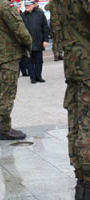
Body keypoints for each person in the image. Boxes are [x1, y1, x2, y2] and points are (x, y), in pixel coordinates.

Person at [54, 0, 90, 199]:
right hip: (86, 65)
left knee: (77, 124)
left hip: (75, 65)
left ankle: (82, 181)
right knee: (86, 126)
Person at [0, 0, 32, 140]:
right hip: (8, 55)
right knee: (7, 94)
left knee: (1, 93)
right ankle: (5, 129)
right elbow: (19, 28)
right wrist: (28, 42)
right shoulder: (5, 6)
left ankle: (3, 127)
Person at [21, 0, 49, 84]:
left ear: (33, 5)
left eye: (28, 6)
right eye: (26, 6)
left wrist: (45, 40)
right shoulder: (22, 16)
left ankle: (38, 76)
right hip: (27, 42)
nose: (27, 7)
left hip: (38, 41)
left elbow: (45, 27)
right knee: (29, 61)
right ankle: (32, 77)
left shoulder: (40, 14)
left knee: (39, 61)